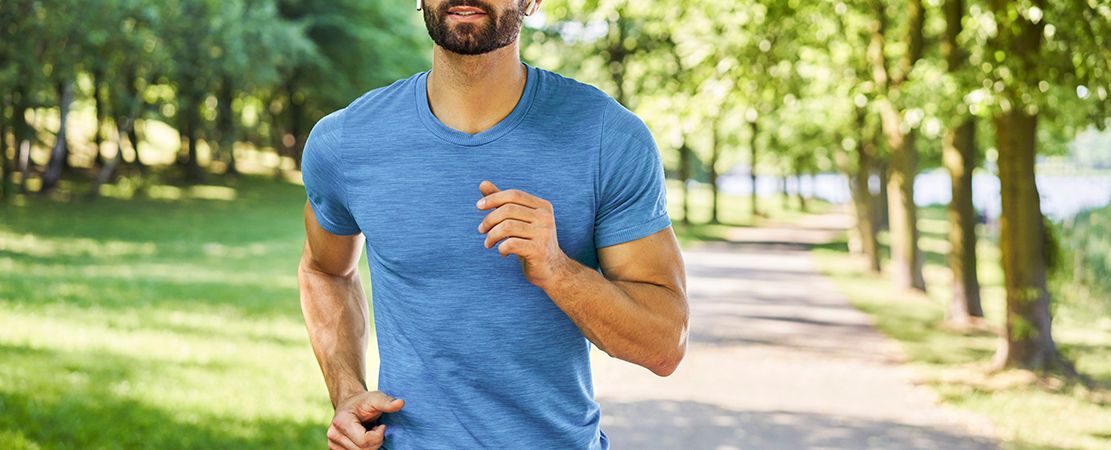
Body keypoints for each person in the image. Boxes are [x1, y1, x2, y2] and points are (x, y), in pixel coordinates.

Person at [296, 0, 688, 448]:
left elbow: (664, 343)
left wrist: (558, 271)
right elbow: (325, 270)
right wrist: (346, 391)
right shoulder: (345, 142)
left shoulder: (608, 138)